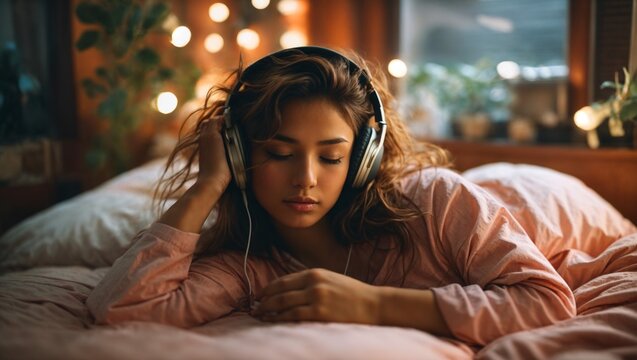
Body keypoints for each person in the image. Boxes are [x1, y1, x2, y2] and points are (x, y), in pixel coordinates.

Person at [86, 46, 574, 346]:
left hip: (533, 206)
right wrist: (208, 184)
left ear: (363, 159)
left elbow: (548, 301)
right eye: (279, 153)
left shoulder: (438, 201)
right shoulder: (251, 265)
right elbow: (121, 310)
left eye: (331, 158)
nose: (305, 179)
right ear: (240, 155)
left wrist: (374, 306)